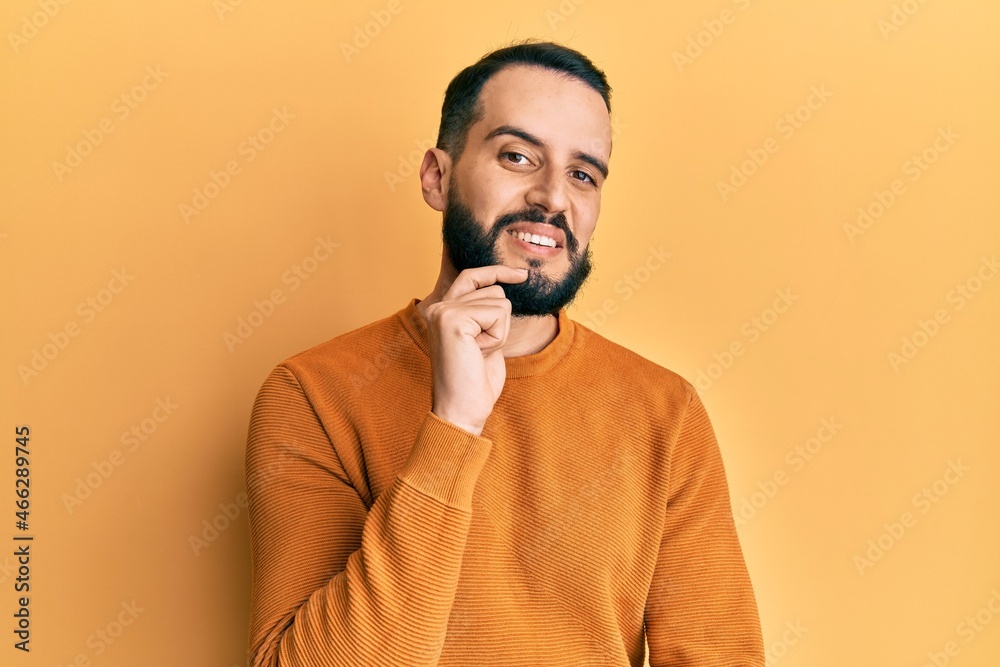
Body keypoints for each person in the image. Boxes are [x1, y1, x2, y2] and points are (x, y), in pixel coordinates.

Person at [245, 40, 765, 666]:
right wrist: (453, 426)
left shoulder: (665, 410)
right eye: (518, 156)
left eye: (582, 174)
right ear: (437, 177)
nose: (553, 197)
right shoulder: (312, 394)